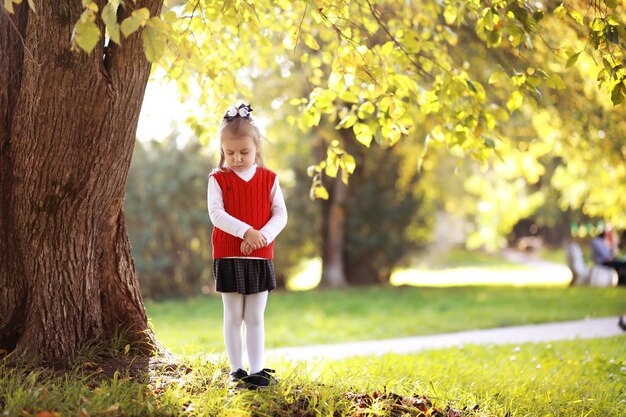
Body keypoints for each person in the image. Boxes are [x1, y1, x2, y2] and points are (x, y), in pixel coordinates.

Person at [207, 103, 288, 389]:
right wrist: (246, 232)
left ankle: (257, 370)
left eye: (244, 152)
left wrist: (261, 236)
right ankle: (237, 370)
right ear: (222, 150)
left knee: (254, 316)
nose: (237, 158)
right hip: (229, 254)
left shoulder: (269, 179)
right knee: (233, 315)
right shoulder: (218, 179)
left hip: (260, 256)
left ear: (257, 148)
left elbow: (280, 214)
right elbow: (216, 214)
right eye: (230, 153)